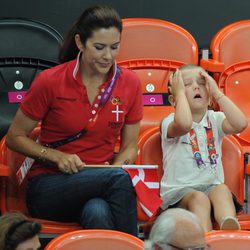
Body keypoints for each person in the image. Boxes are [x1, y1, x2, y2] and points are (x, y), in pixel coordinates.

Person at [6, 4, 143, 236]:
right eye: (99, 48)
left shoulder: (130, 83)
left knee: (97, 212)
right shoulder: (51, 80)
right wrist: (57, 157)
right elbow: (14, 138)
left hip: (102, 183)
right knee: (117, 181)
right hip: (49, 185)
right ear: (80, 43)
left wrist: (118, 168)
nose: (108, 56)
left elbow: (130, 145)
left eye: (114, 47)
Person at [160, 64, 247, 232]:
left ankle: (228, 228)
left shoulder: (215, 119)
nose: (195, 87)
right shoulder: (169, 122)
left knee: (222, 189)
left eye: (201, 83)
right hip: (179, 193)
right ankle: (205, 239)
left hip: (211, 188)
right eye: (186, 85)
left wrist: (217, 93)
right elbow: (184, 124)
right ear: (173, 100)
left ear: (209, 98)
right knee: (199, 198)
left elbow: (241, 124)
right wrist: (179, 95)